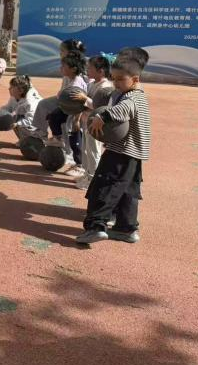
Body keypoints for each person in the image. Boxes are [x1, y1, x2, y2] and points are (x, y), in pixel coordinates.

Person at [76, 50, 151, 245]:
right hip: (134, 155)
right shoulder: (139, 95)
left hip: (120, 152)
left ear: (135, 79)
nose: (116, 83)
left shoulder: (132, 97)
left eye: (120, 79)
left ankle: (95, 227)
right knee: (128, 192)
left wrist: (102, 116)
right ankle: (126, 229)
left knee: (104, 187)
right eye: (114, 78)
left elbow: (123, 110)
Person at [72, 55, 115, 189]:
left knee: (93, 151)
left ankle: (93, 179)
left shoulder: (106, 87)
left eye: (90, 68)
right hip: (87, 121)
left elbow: (100, 106)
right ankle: (87, 174)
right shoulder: (91, 84)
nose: (87, 70)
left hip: (97, 125)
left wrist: (84, 98)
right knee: (86, 150)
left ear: (101, 71)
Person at [47, 52, 89, 177]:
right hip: (68, 110)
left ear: (73, 69)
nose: (61, 68)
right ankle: (58, 138)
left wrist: (77, 120)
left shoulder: (77, 83)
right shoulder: (70, 79)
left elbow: (80, 103)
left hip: (76, 114)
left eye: (64, 66)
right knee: (53, 116)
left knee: (76, 138)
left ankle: (80, 165)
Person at [0, 75, 42, 145]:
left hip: (38, 123)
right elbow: (9, 108)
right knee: (12, 118)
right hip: (30, 120)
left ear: (20, 91)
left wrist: (17, 124)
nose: (9, 88)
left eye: (12, 87)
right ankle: (24, 140)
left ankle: (36, 140)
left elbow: (32, 120)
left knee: (16, 121)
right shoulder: (14, 97)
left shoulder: (29, 102)